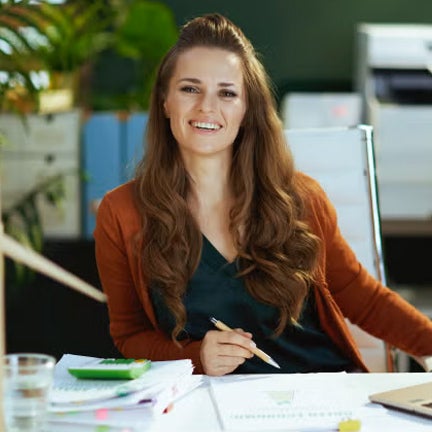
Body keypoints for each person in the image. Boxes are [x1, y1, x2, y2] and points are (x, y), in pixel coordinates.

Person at [94, 13, 432, 376]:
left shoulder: (301, 199)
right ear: (165, 102)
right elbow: (130, 335)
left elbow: (365, 300)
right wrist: (196, 356)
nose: (207, 107)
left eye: (227, 93)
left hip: (322, 393)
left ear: (246, 109)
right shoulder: (122, 212)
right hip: (209, 408)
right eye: (190, 89)